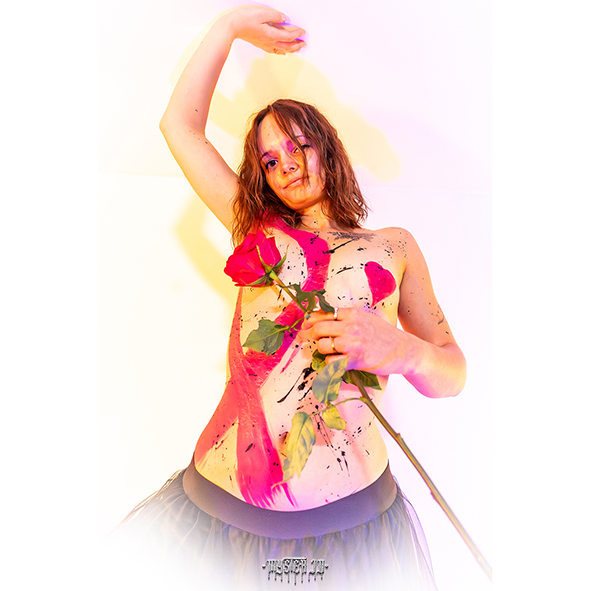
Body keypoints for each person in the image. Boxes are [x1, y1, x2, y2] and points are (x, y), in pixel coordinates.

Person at [102, 5, 467, 591]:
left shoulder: (393, 247)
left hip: (351, 534)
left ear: (329, 147)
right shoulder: (256, 232)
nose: (287, 165)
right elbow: (179, 127)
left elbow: (452, 373)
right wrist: (228, 27)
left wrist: (399, 349)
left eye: (298, 145)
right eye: (270, 161)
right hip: (219, 519)